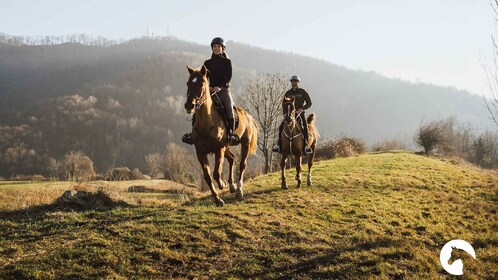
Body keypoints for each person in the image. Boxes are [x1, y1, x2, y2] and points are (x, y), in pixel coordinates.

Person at [182, 37, 239, 145]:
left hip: (223, 90)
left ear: (222, 48)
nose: (216, 48)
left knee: (229, 108)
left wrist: (220, 87)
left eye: (218, 46)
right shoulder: (207, 63)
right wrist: (209, 88)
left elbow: (229, 77)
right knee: (199, 106)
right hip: (210, 91)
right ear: (212, 48)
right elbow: (204, 79)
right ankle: (192, 133)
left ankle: (231, 135)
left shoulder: (227, 62)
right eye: (214, 46)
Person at [272, 75, 313, 154]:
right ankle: (279, 146)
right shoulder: (288, 93)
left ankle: (306, 146)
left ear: (298, 83)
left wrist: (302, 109)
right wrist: (286, 112)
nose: (294, 83)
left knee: (304, 127)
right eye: (293, 82)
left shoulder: (302, 92)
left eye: (296, 82)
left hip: (300, 114)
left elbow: (309, 103)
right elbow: (284, 104)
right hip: (290, 115)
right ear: (291, 82)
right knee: (281, 127)